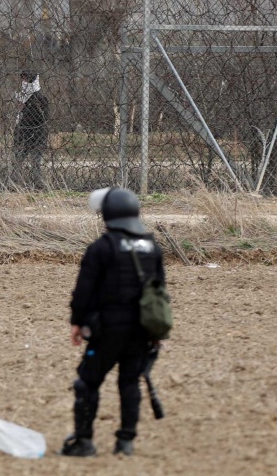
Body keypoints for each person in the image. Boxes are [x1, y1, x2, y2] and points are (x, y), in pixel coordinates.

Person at [59, 187, 165, 457]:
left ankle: (84, 442)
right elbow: (160, 290)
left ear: (108, 214)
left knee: (87, 383)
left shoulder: (101, 247)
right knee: (129, 383)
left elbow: (84, 289)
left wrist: (76, 322)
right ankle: (125, 442)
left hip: (107, 328)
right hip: (141, 329)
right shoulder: (152, 246)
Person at [13, 70, 49, 187]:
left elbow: (42, 119)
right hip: (25, 135)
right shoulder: (24, 98)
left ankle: (38, 183)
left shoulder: (39, 98)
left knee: (35, 162)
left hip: (36, 135)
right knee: (19, 160)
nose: (23, 82)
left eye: (25, 79)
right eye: (22, 79)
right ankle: (16, 182)